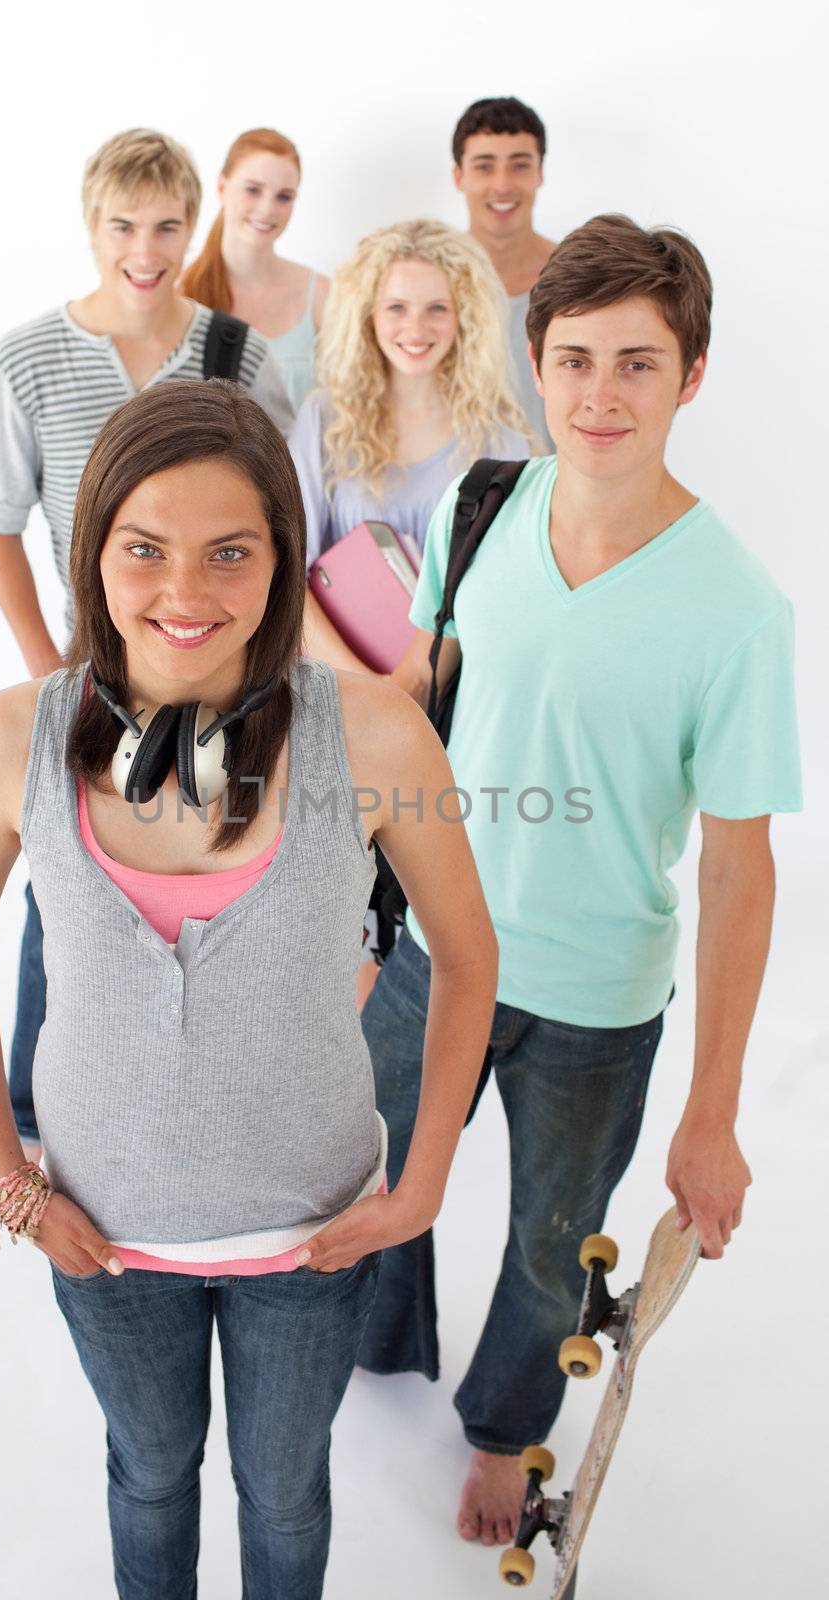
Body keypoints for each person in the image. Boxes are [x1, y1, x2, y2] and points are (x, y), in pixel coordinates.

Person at [0, 380, 497, 1600]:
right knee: (148, 1471)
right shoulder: (2, 741)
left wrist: (426, 1182)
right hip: (102, 1235)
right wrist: (11, 1185)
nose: (183, 593)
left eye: (229, 551)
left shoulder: (381, 736)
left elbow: (466, 950)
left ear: (283, 564)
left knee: (284, 1491)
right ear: (92, 556)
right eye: (145, 550)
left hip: (313, 1236)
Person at [359, 214, 802, 1548]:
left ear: (693, 375)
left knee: (556, 1244)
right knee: (369, 1168)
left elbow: (739, 869)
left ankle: (504, 1425)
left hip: (597, 1001)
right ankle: (375, 1348)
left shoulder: (737, 612)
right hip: (438, 947)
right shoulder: (478, 504)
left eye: (637, 363)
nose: (599, 395)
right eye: (572, 360)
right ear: (534, 365)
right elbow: (421, 701)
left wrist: (714, 1108)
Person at [0, 127, 294, 1160]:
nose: (144, 249)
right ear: (90, 226)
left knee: (223, 861)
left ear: (191, 225)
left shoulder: (239, 355)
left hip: (228, 665)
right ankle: (34, 1107)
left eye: (165, 226)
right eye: (122, 226)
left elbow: (281, 516)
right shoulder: (27, 358)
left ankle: (215, 1087)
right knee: (64, 868)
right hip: (94, 671)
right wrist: (46, 667)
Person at [289, 218, 533, 673]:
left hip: (457, 692)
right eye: (396, 307)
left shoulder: (499, 436)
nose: (416, 328)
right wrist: (371, 688)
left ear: (464, 317)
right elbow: (287, 572)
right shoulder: (324, 419)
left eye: (437, 308)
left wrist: (417, 685)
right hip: (334, 681)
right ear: (369, 315)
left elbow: (506, 587)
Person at [181, 127, 329, 412]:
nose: (267, 209)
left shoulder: (323, 296)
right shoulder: (180, 292)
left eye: (284, 197)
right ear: (222, 187)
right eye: (253, 190)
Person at [452, 95, 556, 451]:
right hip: (456, 493)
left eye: (519, 165)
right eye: (484, 166)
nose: (502, 184)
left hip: (559, 490)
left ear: (540, 172)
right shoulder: (431, 281)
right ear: (458, 176)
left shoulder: (576, 277)